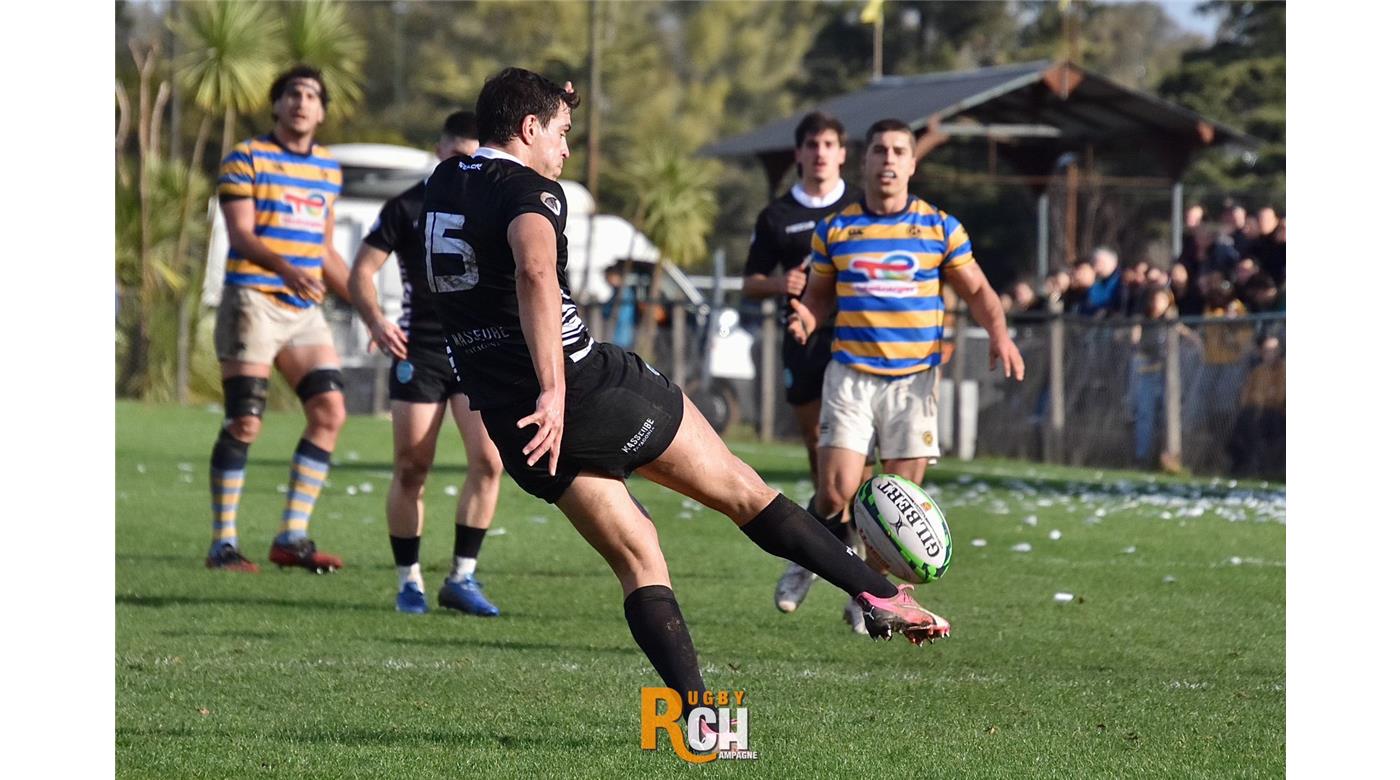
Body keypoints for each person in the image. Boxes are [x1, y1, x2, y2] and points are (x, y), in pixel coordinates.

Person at [422, 69, 949, 714]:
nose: (565, 149)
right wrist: (555, 391)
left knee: (640, 558)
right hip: (587, 391)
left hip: (515, 422)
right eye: (561, 133)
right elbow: (534, 270)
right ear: (528, 130)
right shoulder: (534, 190)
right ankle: (882, 596)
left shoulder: (445, 180)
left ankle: (699, 718)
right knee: (745, 493)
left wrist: (555, 95)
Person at [787, 117, 1025, 633]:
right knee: (837, 492)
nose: (889, 160)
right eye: (879, 151)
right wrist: (805, 317)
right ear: (864, 160)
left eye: (898, 151)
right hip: (851, 374)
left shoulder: (940, 228)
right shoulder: (837, 229)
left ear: (913, 163)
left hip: (914, 381)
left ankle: (866, 596)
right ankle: (804, 554)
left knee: (892, 506)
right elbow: (818, 298)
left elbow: (979, 291)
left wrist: (1001, 335)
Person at [348, 111, 504, 616]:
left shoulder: (495, 205)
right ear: (439, 151)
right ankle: (408, 580)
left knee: (490, 462)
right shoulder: (408, 206)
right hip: (422, 351)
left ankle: (462, 577)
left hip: (477, 350)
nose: (463, 165)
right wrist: (374, 321)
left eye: (472, 157)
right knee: (412, 466)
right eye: (455, 155)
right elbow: (361, 272)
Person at [204, 65, 349, 574]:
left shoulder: (329, 170)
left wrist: (370, 310)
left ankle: (292, 538)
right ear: (277, 104)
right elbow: (242, 235)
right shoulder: (246, 158)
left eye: (312, 95)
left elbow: (325, 249)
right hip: (254, 300)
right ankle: (223, 544)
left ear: (322, 110)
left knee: (330, 412)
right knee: (245, 421)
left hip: (302, 310)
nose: (302, 102)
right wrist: (290, 269)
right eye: (293, 93)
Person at [739, 111, 862, 614]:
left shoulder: (860, 207)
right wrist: (781, 284)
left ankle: (853, 575)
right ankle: (823, 555)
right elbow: (750, 281)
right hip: (803, 344)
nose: (820, 153)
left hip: (858, 342)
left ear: (842, 152)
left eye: (829, 143)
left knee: (859, 465)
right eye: (811, 144)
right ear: (799, 154)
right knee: (823, 462)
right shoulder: (777, 216)